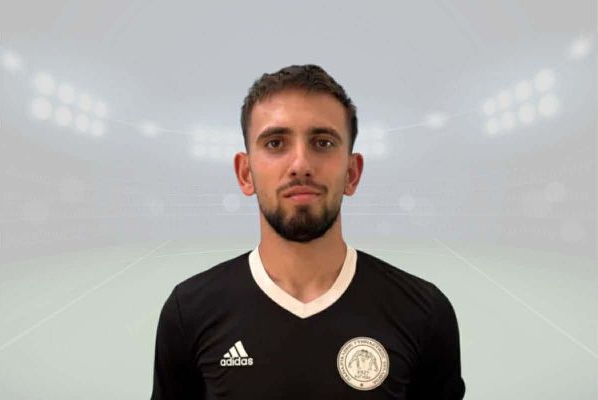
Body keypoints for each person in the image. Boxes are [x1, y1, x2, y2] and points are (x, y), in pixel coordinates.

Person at [150, 64, 466, 399]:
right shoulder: (189, 312)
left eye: (323, 142)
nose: (300, 164)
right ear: (245, 173)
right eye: (275, 143)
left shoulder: (423, 313)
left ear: (352, 174)